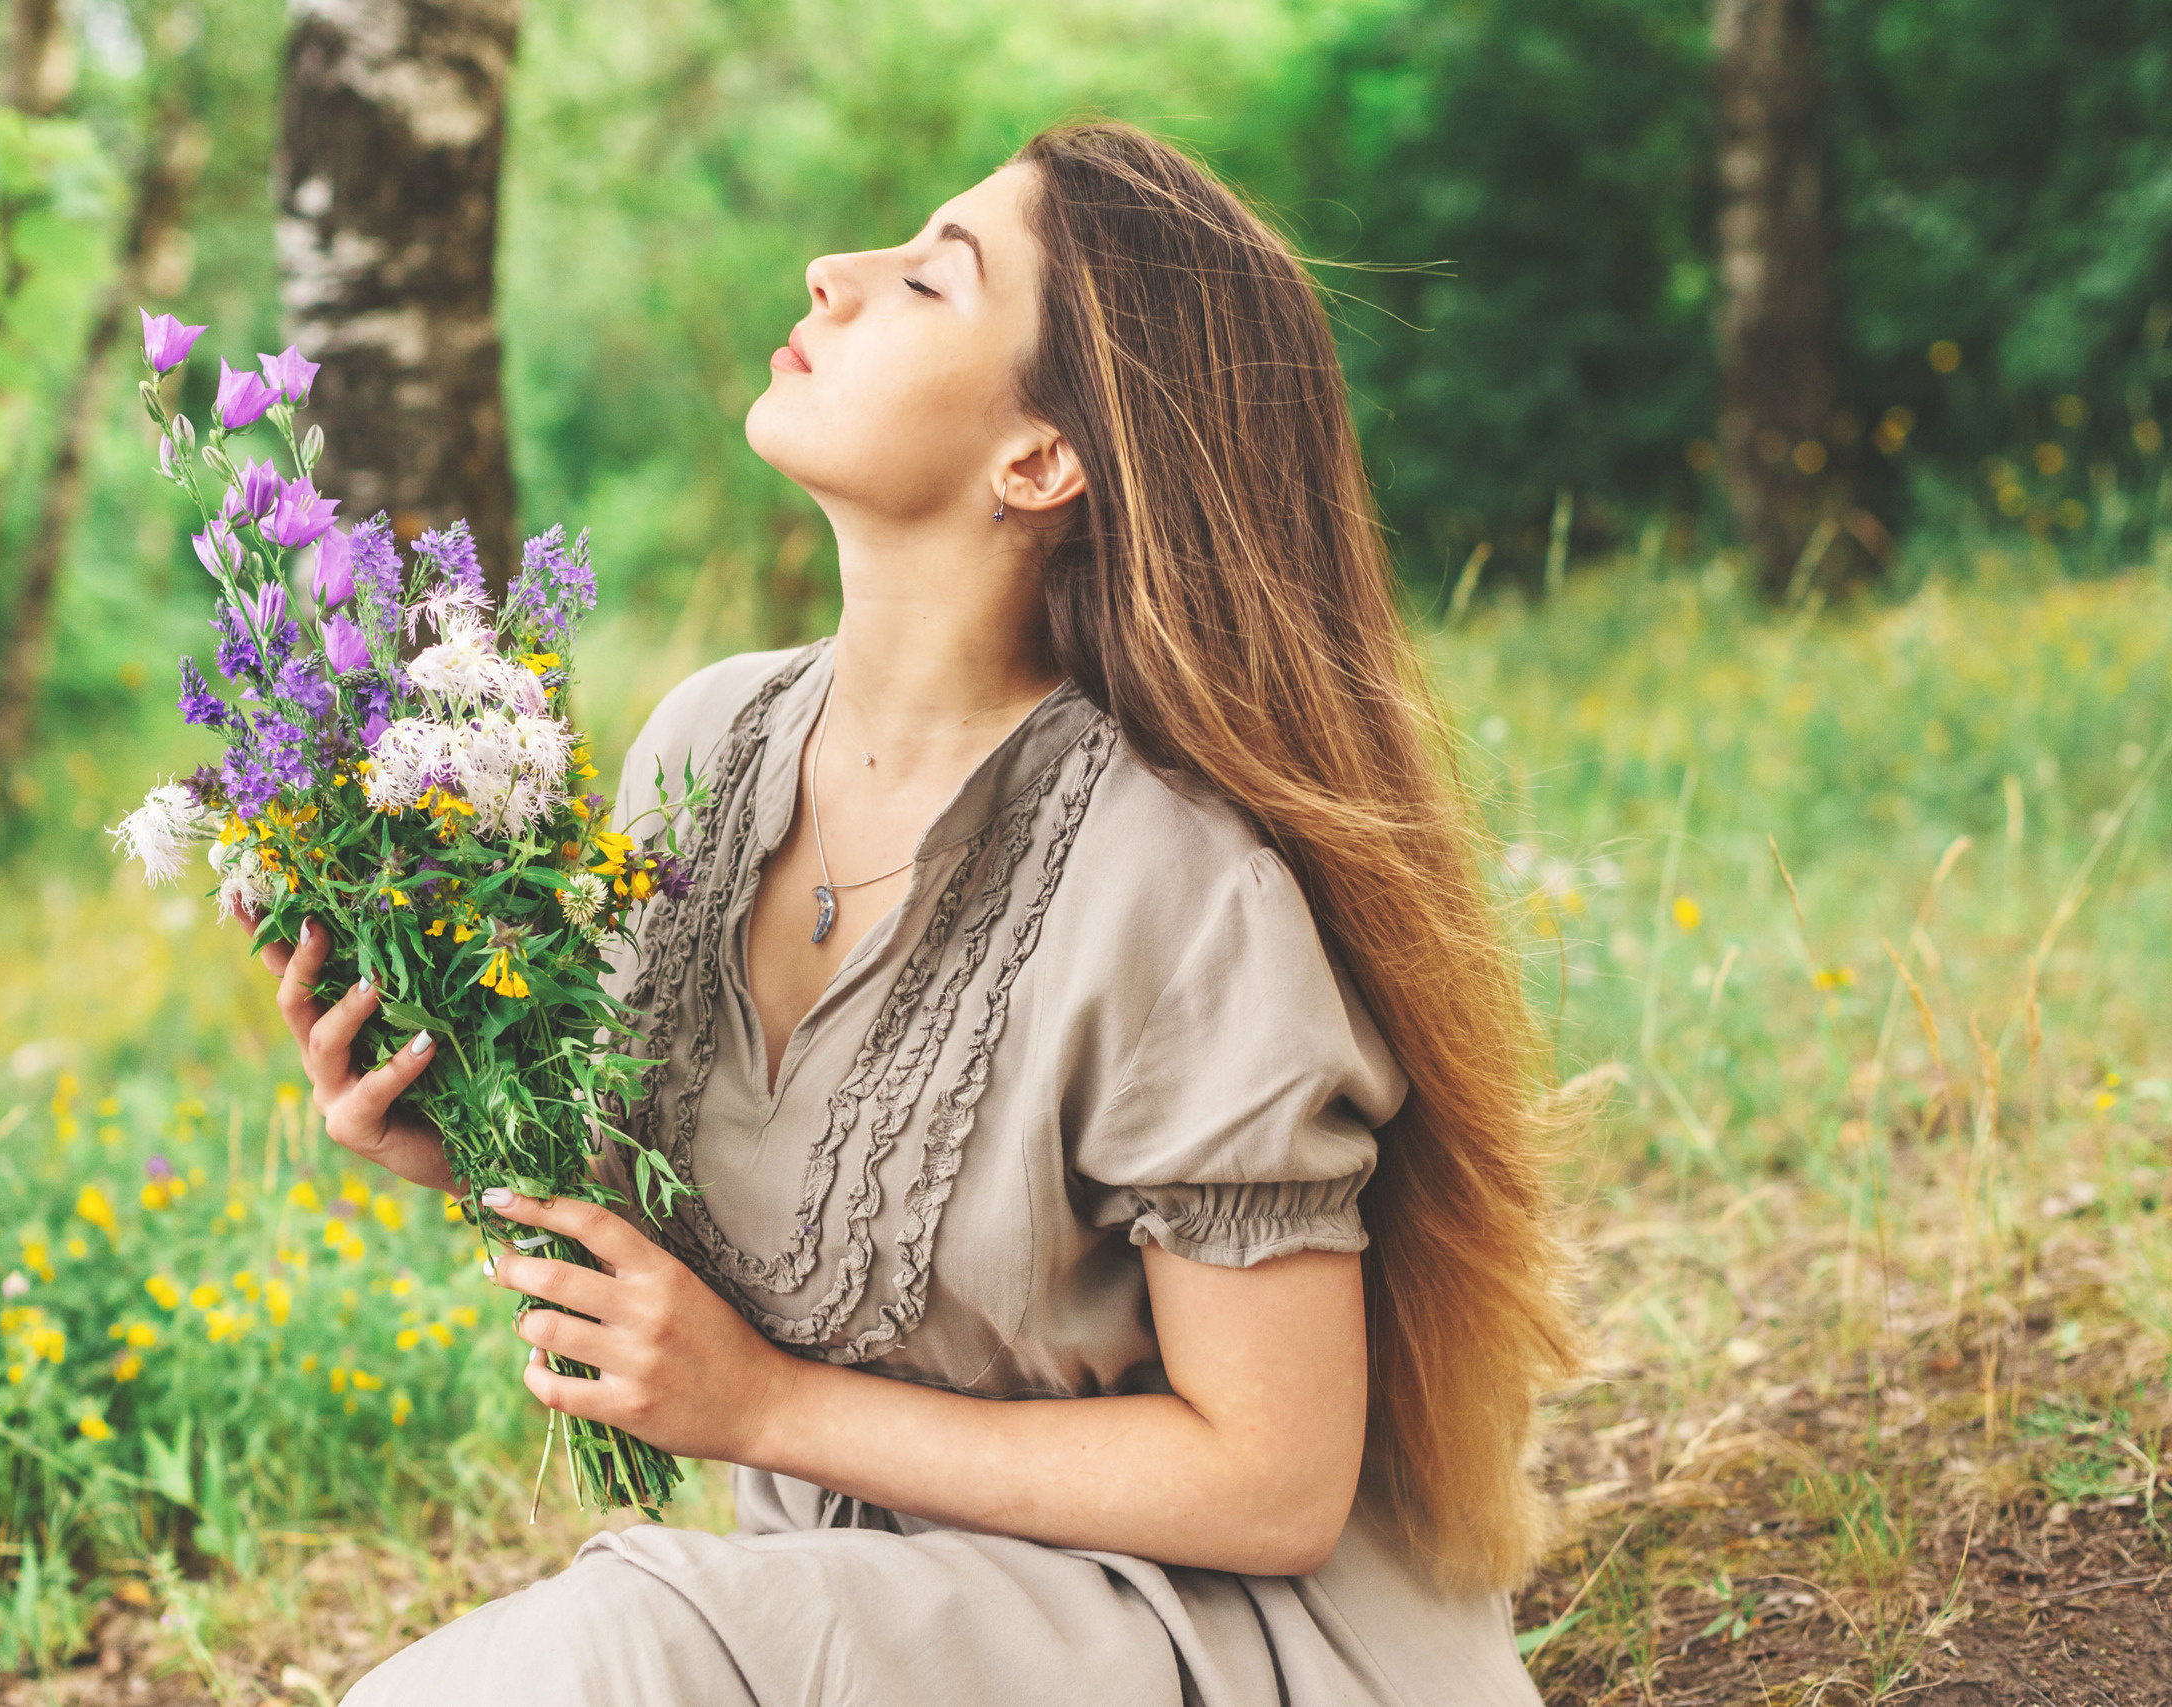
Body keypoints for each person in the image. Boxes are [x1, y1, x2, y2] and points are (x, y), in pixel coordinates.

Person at [247, 119, 1582, 1707]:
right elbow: (728, 1201)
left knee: (601, 1657)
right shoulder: (709, 751)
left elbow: (1275, 1487)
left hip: (1203, 1640)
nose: (835, 272)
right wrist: (472, 1136)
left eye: (930, 278)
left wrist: (763, 1412)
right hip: (866, 1609)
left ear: (1041, 460)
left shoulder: (1180, 886)